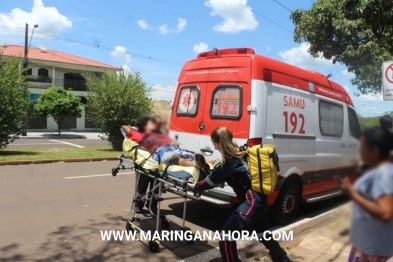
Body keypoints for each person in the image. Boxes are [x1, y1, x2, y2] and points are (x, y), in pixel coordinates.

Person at [194, 127, 291, 262]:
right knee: (263, 234)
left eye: (215, 144)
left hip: (251, 202)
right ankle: (283, 260)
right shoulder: (241, 152)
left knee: (226, 237)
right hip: (261, 201)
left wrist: (196, 186)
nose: (215, 148)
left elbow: (210, 181)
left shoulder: (228, 161)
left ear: (221, 142)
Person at [337, 127, 393, 262]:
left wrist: (352, 194)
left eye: (362, 147)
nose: (359, 150)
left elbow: (385, 212)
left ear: (375, 151)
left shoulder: (382, 175)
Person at [135, 116, 209, 213]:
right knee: (143, 185)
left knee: (156, 187)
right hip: (151, 159)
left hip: (163, 156)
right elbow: (139, 144)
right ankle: (139, 205)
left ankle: (152, 205)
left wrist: (174, 143)